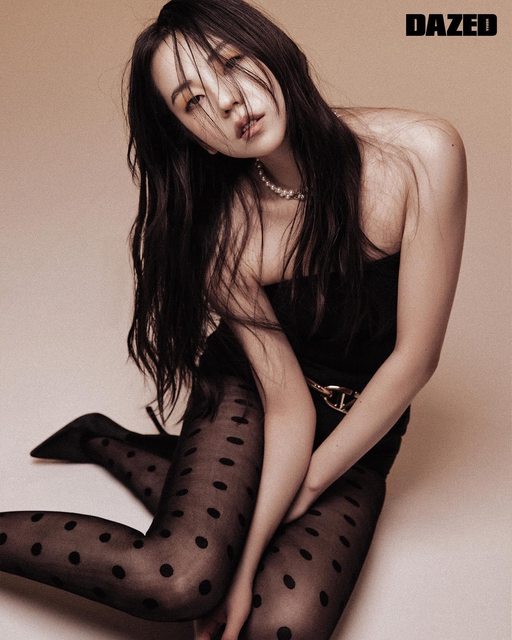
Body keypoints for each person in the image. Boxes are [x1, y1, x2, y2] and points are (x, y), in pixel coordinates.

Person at [0, 1, 467, 639]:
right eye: (192, 101)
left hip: (363, 419)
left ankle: (118, 446)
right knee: (182, 579)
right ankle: (120, 453)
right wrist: (237, 574)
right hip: (252, 397)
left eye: (231, 65)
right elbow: (287, 406)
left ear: (270, 49)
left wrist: (308, 486)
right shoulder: (226, 238)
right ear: (193, 135)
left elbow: (415, 359)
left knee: (281, 627)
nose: (226, 103)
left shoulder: (421, 151)